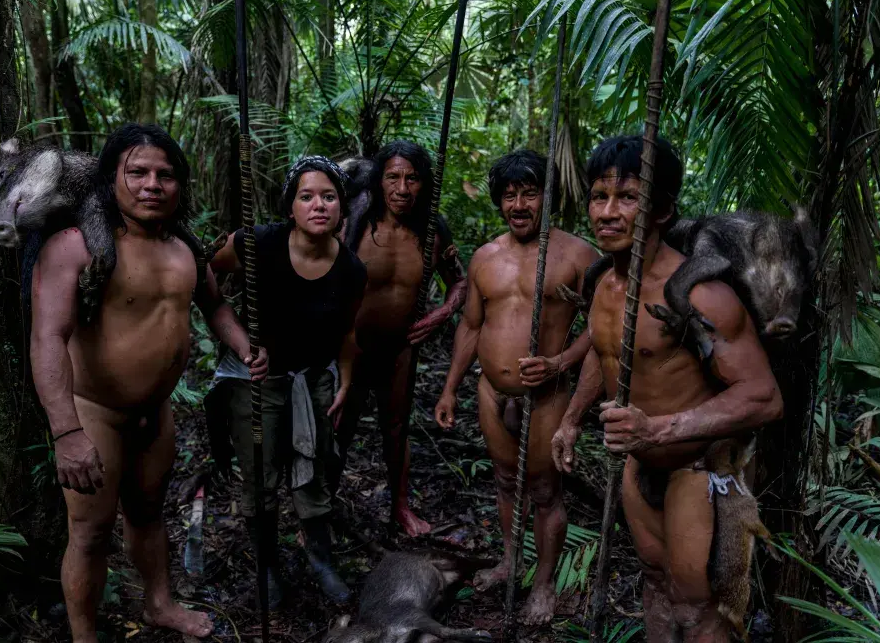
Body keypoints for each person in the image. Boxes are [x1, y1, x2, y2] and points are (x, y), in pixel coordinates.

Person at [30, 123, 267, 643]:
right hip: (93, 412)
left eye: (165, 175)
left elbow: (215, 306)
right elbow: (48, 337)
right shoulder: (76, 246)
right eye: (136, 172)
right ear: (111, 178)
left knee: (148, 512)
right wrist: (67, 432)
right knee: (90, 533)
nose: (151, 185)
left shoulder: (184, 247)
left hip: (155, 414)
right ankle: (84, 636)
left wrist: (246, 347)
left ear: (180, 185)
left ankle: (159, 604)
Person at [550, 135, 783, 641]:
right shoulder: (604, 284)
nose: (608, 212)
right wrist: (571, 419)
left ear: (661, 210)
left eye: (628, 198)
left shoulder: (700, 293)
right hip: (640, 464)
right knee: (656, 584)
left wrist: (658, 429)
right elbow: (604, 349)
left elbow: (764, 395)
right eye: (599, 197)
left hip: (694, 469)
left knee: (699, 606)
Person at [431, 149, 599, 624]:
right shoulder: (486, 257)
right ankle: (510, 560)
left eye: (530, 193)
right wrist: (450, 388)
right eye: (510, 195)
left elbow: (603, 324)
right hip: (491, 392)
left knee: (545, 492)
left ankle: (543, 584)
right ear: (499, 202)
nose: (519, 204)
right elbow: (470, 326)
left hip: (548, 394)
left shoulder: (578, 254)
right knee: (506, 482)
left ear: (548, 196)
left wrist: (560, 361)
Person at [205, 156, 367, 607]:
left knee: (314, 466)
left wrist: (345, 382)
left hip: (313, 377)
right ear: (291, 206)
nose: (319, 205)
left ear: (342, 207)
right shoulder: (258, 244)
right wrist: (239, 341)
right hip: (255, 379)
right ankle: (268, 567)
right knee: (261, 474)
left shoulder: (352, 269)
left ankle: (319, 558)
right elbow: (205, 278)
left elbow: (348, 333)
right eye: (307, 196)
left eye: (329, 196)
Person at [331, 140, 468, 537]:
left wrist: (443, 312)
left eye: (412, 179)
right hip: (351, 349)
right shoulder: (353, 219)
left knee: (397, 429)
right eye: (393, 177)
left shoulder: (432, 230)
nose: (402, 189)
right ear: (379, 180)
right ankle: (321, 511)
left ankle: (400, 507)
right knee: (340, 427)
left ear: (423, 184)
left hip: (401, 350)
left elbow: (458, 281)